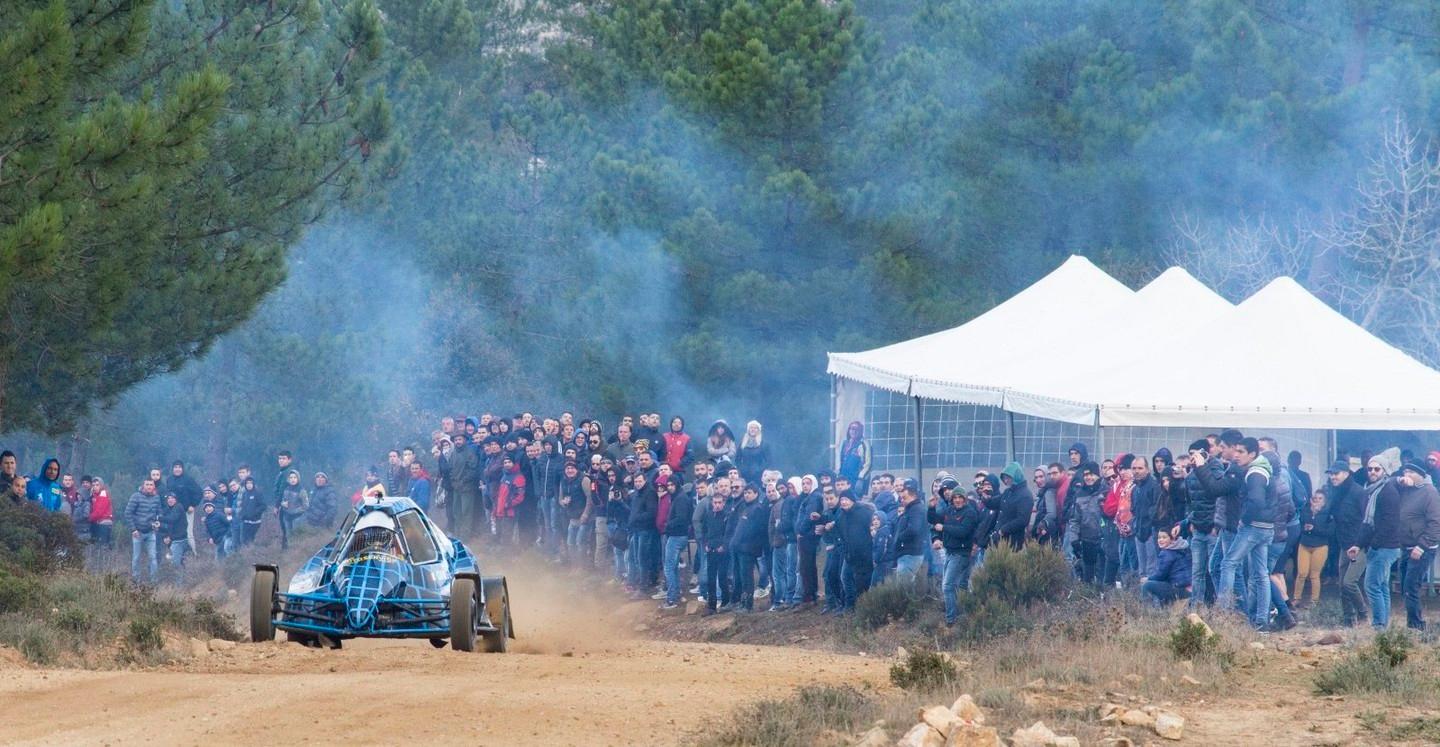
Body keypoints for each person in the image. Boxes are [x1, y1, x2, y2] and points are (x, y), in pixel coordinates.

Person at [1217, 438, 1273, 629]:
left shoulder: (1255, 473)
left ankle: (1223, 616)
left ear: (1253, 454)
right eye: (1236, 451)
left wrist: (1244, 519)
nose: (1236, 454)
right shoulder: (1264, 469)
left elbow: (1257, 501)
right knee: (1261, 574)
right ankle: (1261, 622)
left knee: (1227, 564)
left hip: (1254, 527)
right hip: (1266, 527)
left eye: (1241, 452)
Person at [1395, 462, 1440, 630]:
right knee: (1406, 588)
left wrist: (1421, 546)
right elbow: (1388, 482)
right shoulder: (1405, 489)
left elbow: (1436, 524)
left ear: (1421, 474)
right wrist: (1399, 479)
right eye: (1405, 471)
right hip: (1406, 546)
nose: (1407, 475)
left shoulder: (1430, 492)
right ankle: (1412, 623)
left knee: (1411, 586)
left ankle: (1417, 626)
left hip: (1422, 548)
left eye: (1411, 472)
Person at [1325, 460, 1370, 626]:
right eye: (1330, 474)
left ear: (1346, 473)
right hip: (1344, 543)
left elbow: (1367, 520)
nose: (1332, 477)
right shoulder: (1335, 491)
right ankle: (1348, 621)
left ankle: (1363, 615)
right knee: (1342, 586)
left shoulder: (1358, 492)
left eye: (1335, 474)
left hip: (1358, 544)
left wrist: (1361, 543)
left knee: (1349, 583)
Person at [1363, 449, 1403, 629]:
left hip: (1385, 547)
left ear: (1385, 471)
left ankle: (1379, 625)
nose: (1372, 472)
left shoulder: (1387, 491)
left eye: (1377, 469)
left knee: (1372, 586)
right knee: (1381, 586)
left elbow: (1389, 523)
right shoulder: (1376, 490)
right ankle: (1383, 625)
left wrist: (1374, 545)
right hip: (1386, 546)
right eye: (1370, 469)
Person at [936, 478, 980, 625]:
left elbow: (963, 531)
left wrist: (944, 528)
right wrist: (930, 508)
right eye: (955, 497)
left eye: (960, 497)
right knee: (960, 586)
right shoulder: (950, 511)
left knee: (948, 586)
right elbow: (934, 520)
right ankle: (963, 614)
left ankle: (951, 620)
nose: (957, 500)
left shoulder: (970, 513)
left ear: (965, 499)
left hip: (961, 553)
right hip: (950, 551)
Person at [729, 484, 769, 612]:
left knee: (747, 577)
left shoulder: (758, 509)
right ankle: (742, 602)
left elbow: (756, 530)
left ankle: (748, 605)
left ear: (756, 494)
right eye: (745, 493)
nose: (746, 495)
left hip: (748, 549)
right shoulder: (745, 508)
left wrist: (744, 542)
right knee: (740, 576)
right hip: (739, 548)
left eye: (749, 493)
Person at [1064, 462, 1106, 585]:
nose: (1088, 477)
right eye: (1086, 474)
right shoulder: (1079, 494)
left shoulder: (1106, 491)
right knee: (1087, 577)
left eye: (1092, 474)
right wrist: (1074, 539)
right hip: (1086, 540)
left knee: (1102, 576)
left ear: (1098, 475)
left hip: (1103, 540)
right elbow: (1074, 519)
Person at [1294, 489, 1334, 608]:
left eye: (1320, 499)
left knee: (1314, 575)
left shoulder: (1328, 514)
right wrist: (1310, 517)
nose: (1317, 501)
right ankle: (1296, 598)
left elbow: (1330, 532)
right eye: (1315, 498)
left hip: (1320, 546)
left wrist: (1313, 528)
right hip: (1305, 544)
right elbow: (1299, 526)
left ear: (1325, 501)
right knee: (1301, 573)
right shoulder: (1305, 511)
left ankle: (1314, 601)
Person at [125, 478, 163, 585]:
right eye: (147, 484)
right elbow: (128, 513)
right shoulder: (136, 496)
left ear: (154, 486)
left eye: (151, 485)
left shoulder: (156, 498)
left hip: (151, 532)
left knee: (153, 557)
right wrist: (133, 529)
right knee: (136, 557)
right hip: (138, 533)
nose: (149, 486)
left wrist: (158, 522)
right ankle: (135, 581)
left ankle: (154, 582)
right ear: (143, 485)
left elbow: (160, 512)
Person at [889, 479, 929, 579]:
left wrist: (899, 537)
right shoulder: (910, 509)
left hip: (910, 554)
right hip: (906, 553)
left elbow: (914, 529)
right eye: (901, 498)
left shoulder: (916, 509)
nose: (902, 500)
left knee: (904, 587)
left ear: (913, 495)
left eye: (904, 498)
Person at [1142, 529, 1191, 606]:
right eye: (1159, 537)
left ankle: (1148, 613)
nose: (1160, 540)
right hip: (1188, 588)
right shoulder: (1182, 548)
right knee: (1163, 586)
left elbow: (1160, 575)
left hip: (1180, 589)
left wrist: (1148, 579)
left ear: (1172, 539)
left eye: (1164, 537)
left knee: (1147, 585)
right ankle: (1164, 611)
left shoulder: (1166, 553)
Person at [159, 492, 189, 584]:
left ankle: (178, 585)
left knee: (176, 564)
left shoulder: (178, 507)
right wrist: (163, 533)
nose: (170, 500)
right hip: (174, 540)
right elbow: (168, 527)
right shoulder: (168, 510)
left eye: (172, 498)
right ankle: (183, 583)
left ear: (176, 499)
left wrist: (159, 518)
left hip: (179, 541)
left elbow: (172, 519)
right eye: (168, 498)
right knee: (179, 563)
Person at [837, 421, 871, 496]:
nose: (853, 431)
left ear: (860, 431)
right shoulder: (845, 443)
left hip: (856, 479)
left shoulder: (863, 444)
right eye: (851, 429)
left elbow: (867, 464)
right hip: (844, 478)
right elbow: (841, 461)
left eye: (856, 429)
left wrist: (860, 480)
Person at [736, 420, 770, 488]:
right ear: (748, 430)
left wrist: (759, 470)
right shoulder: (742, 444)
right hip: (744, 474)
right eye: (751, 427)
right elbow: (737, 459)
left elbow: (768, 461)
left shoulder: (763, 444)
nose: (753, 429)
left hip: (758, 475)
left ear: (758, 430)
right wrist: (741, 468)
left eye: (755, 428)